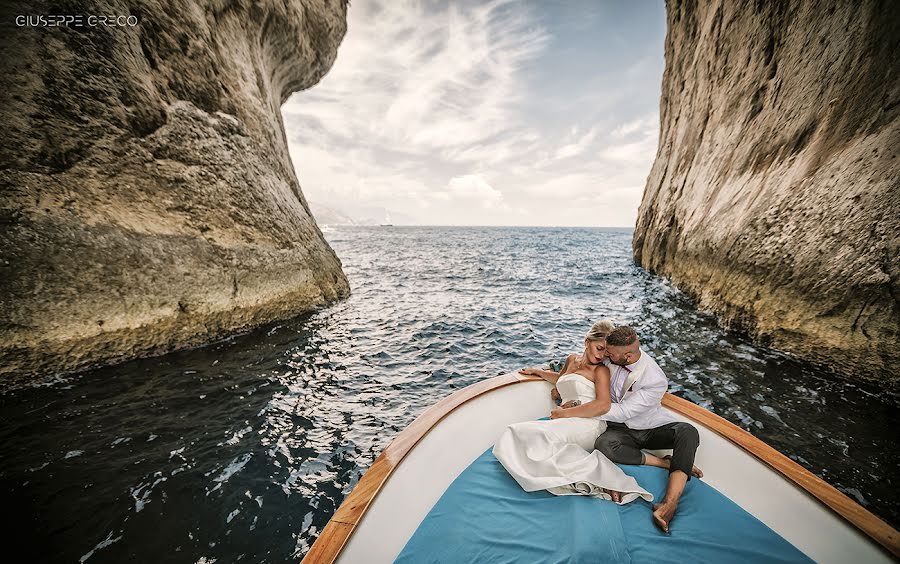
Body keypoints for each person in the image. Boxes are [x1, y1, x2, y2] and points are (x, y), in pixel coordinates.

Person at [492, 321, 653, 505]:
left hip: (589, 423)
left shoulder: (601, 370)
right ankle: (592, 477)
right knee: (517, 432)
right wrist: (537, 372)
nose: (602, 356)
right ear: (587, 342)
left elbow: (602, 405)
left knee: (530, 436)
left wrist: (563, 414)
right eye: (599, 348)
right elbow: (562, 380)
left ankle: (606, 480)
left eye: (606, 352)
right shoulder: (571, 360)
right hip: (566, 419)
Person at [587, 325, 703, 533]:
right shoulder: (613, 356)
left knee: (688, 432)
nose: (605, 355)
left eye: (610, 353)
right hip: (620, 429)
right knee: (604, 444)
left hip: (649, 428)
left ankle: (670, 502)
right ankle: (666, 463)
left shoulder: (655, 379)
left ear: (628, 356)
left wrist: (583, 409)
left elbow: (623, 412)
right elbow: (584, 365)